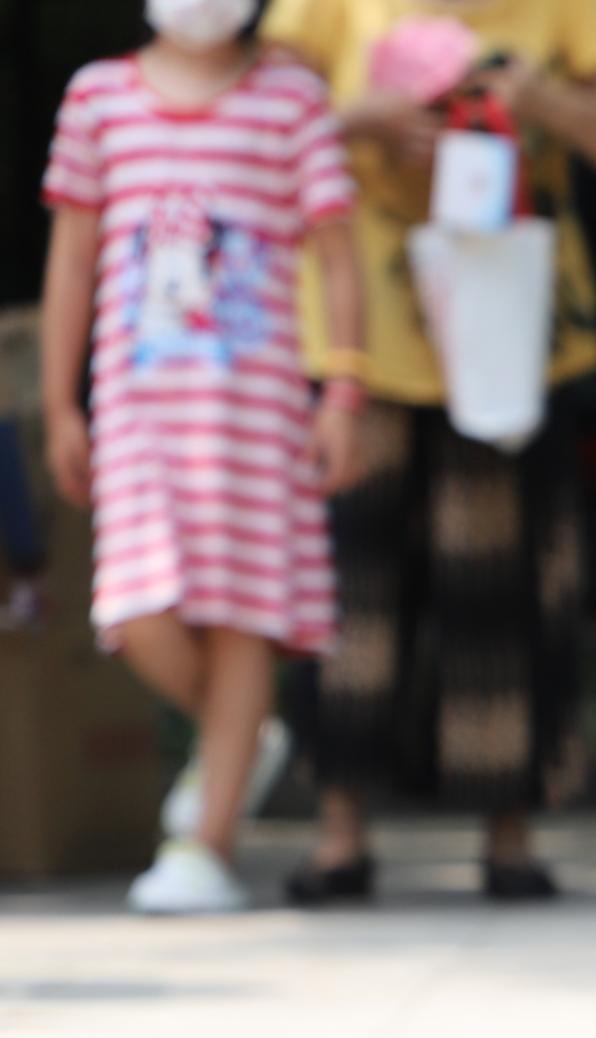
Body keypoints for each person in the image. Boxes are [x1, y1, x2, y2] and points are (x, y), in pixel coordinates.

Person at [261, 0, 596, 905]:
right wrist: (357, 120)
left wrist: (548, 105)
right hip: (353, 335)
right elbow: (246, 136)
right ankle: (340, 835)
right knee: (348, 587)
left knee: (503, 585)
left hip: (508, 326)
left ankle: (510, 835)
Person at [39, 0, 366, 915]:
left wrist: (342, 389)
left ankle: (206, 842)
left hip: (256, 412)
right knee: (139, 605)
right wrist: (63, 402)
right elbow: (72, 259)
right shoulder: (97, 99)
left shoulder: (292, 101)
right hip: (140, 410)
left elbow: (337, 255)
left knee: (243, 616)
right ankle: (241, 731)